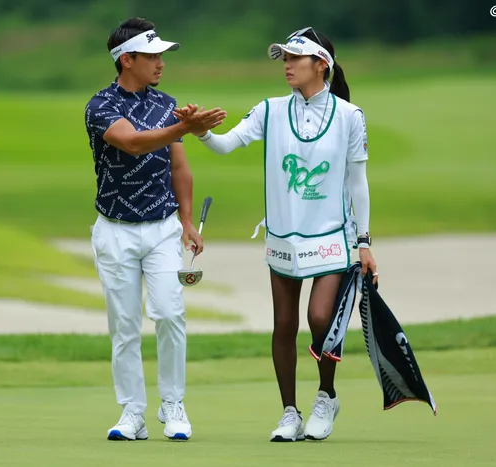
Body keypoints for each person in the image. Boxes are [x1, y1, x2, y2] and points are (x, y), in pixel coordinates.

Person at [175, 26, 378, 442]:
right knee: (283, 325)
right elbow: (226, 145)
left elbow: (358, 183)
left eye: (295, 58)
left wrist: (364, 241)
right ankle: (289, 413)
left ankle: (326, 396)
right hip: (284, 236)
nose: (286, 65)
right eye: (284, 58)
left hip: (332, 235)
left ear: (320, 64)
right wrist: (200, 131)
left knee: (320, 318)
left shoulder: (349, 116)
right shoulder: (269, 110)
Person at [84, 17, 226, 442]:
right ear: (126, 60)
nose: (161, 63)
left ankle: (173, 404)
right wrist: (186, 127)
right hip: (115, 231)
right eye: (152, 56)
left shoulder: (167, 104)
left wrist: (187, 221)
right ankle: (132, 412)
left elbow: (179, 167)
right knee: (125, 325)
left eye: (162, 55)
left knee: (169, 312)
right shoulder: (100, 105)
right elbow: (131, 142)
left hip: (162, 227)